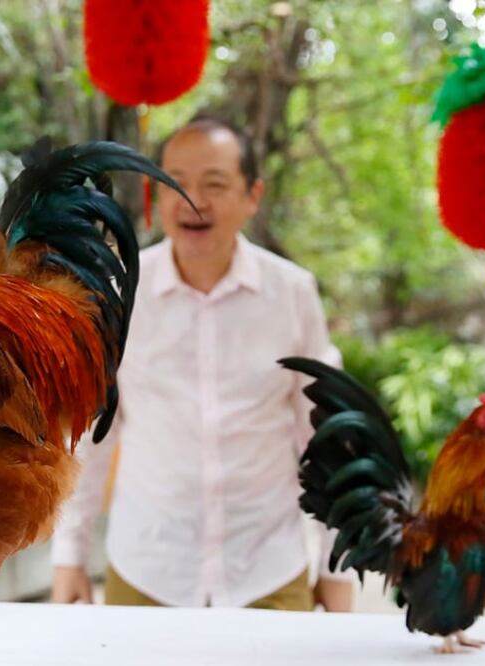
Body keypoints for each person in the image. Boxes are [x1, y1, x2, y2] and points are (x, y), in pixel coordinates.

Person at [49, 115, 354, 611]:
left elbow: (325, 437)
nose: (193, 200)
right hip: (147, 570)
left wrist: (336, 569)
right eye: (176, 183)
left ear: (253, 195)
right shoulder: (119, 292)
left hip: (269, 573)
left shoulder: (292, 294)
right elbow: (91, 434)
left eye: (214, 184)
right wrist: (69, 556)